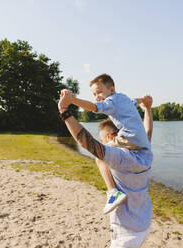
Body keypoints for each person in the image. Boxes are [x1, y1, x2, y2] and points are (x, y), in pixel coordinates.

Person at [58, 91, 154, 248]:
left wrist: (64, 111)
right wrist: (148, 109)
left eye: (103, 140)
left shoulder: (119, 157)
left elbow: (88, 143)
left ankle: (113, 192)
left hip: (126, 229)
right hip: (144, 223)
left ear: (110, 138)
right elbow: (147, 132)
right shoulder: (144, 151)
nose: (103, 143)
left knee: (99, 156)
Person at [62, 74, 151, 214]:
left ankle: (112, 192)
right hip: (140, 142)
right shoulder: (123, 98)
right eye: (94, 94)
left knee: (99, 155)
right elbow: (135, 101)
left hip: (128, 138)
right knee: (107, 151)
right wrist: (145, 102)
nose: (97, 97)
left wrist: (73, 100)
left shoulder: (111, 101)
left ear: (111, 89)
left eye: (99, 92)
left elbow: (93, 107)